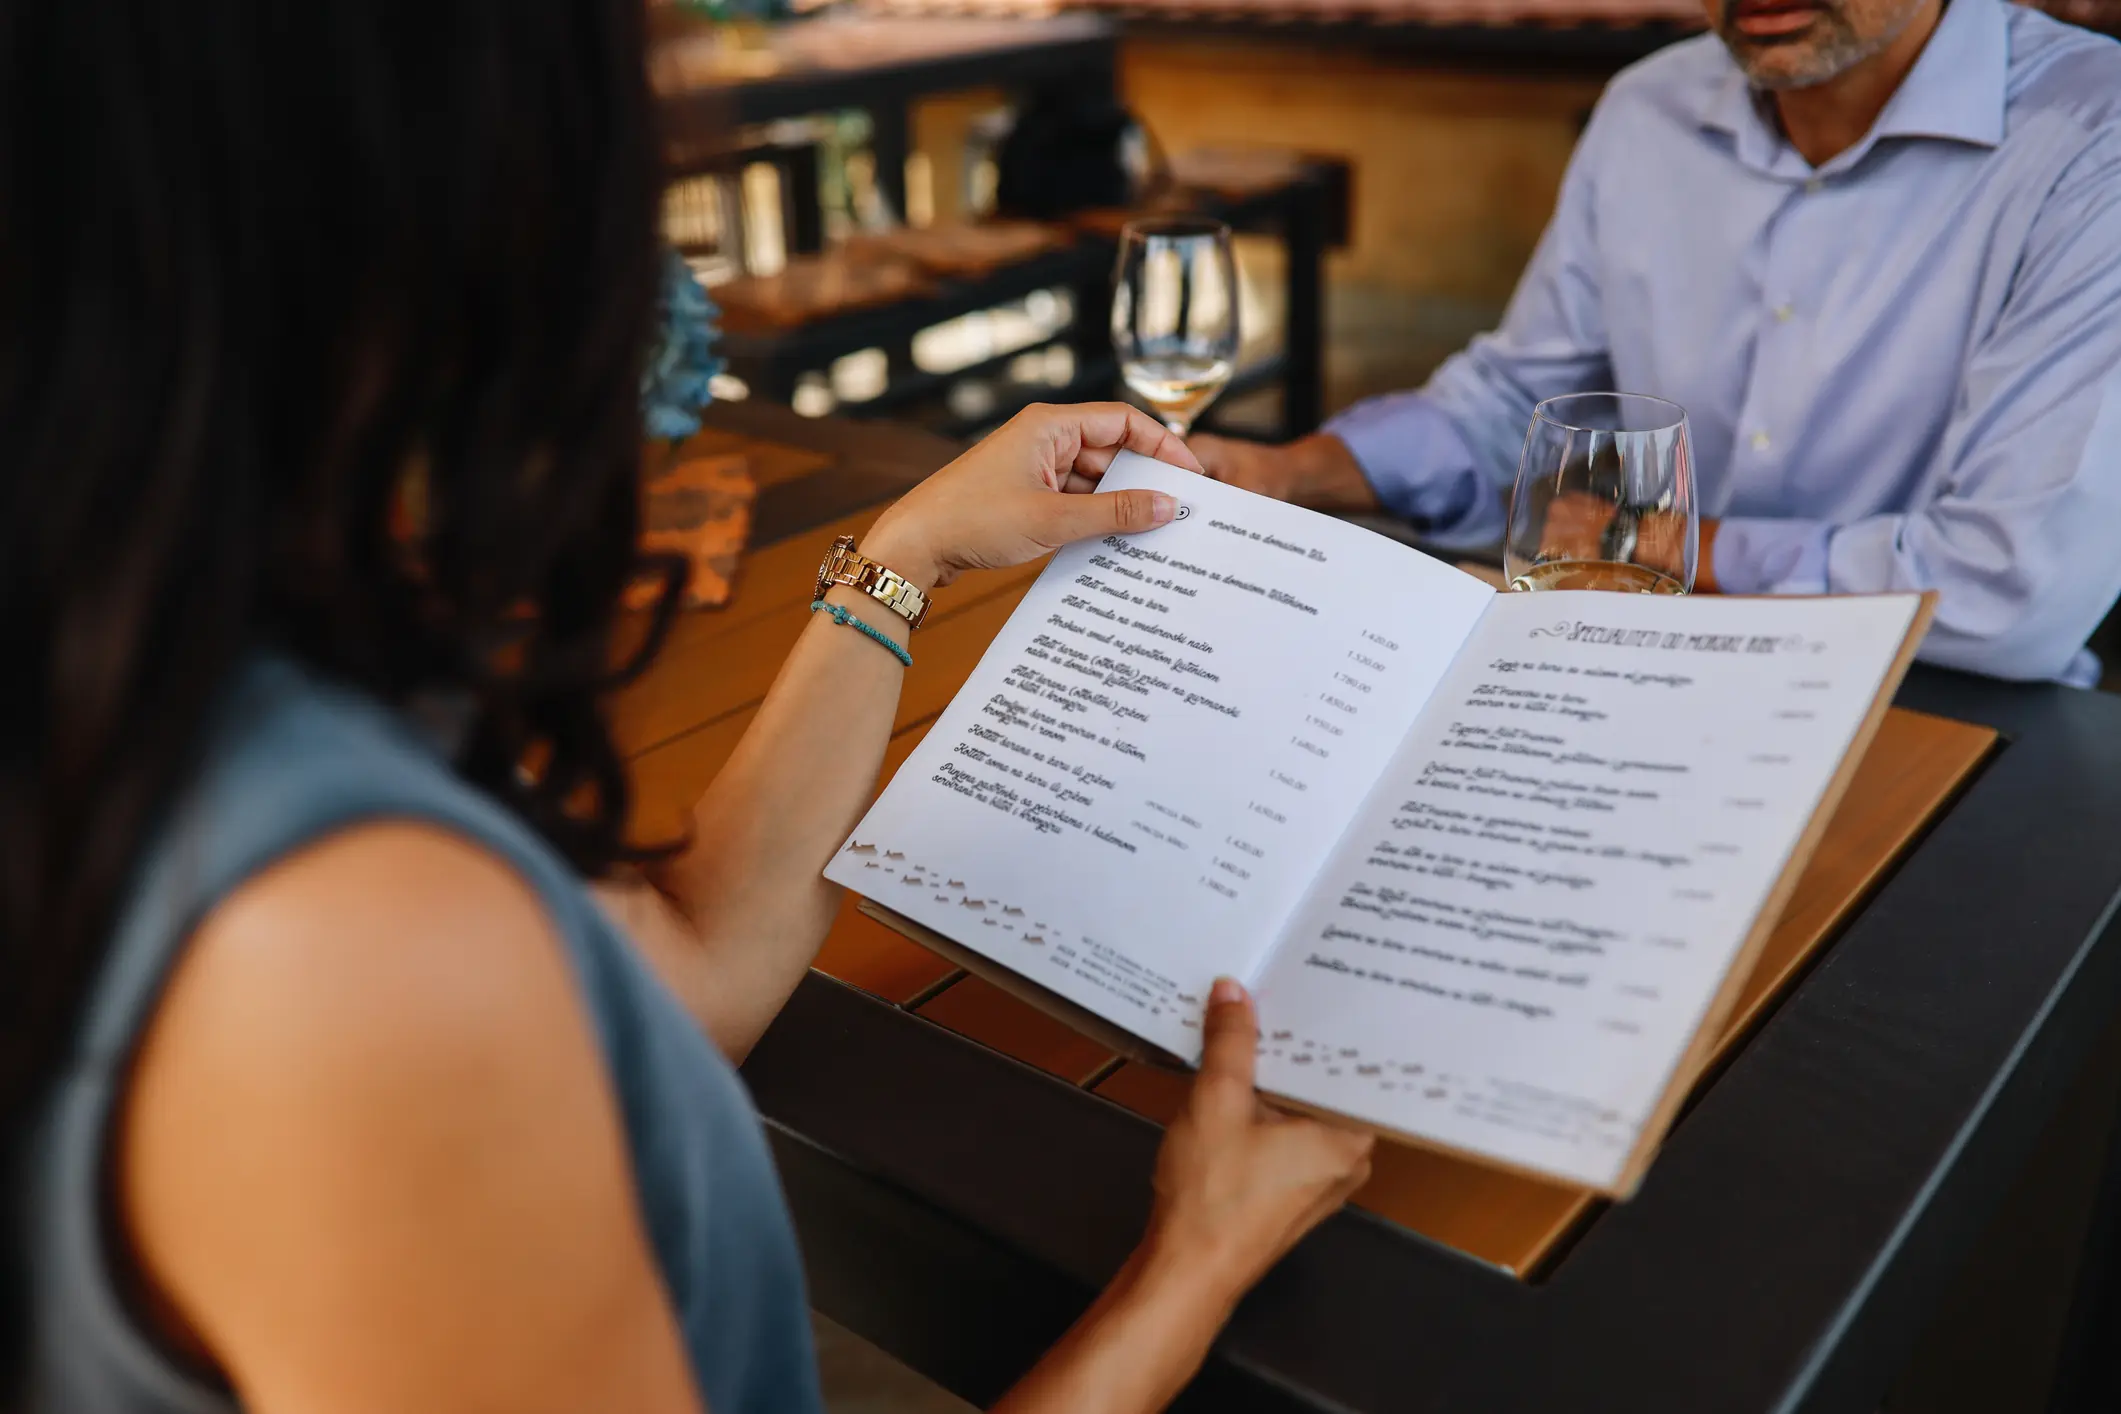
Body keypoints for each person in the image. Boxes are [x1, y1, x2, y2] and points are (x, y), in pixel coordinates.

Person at [0, 6, 1372, 1413]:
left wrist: (907, 552)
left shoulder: (156, 676)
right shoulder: (352, 948)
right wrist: (1188, 1270)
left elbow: (696, 962)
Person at [1195, 0, 2121, 685]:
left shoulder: (2091, 137)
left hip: (1939, 704)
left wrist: (1653, 541)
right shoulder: (1646, 108)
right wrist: (1289, 474)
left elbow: (2013, 592)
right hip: (1637, 670)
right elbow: (1513, 410)